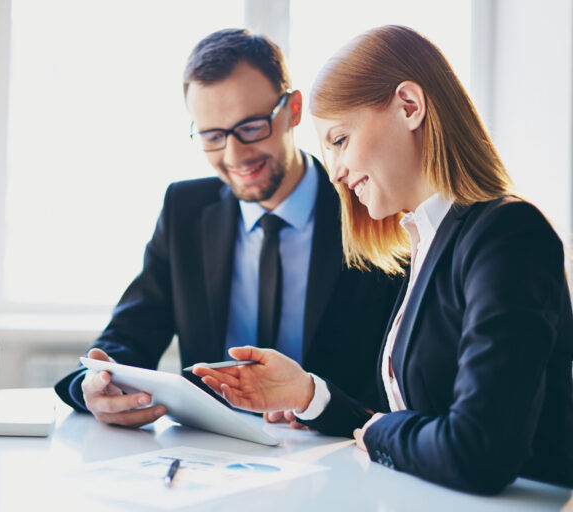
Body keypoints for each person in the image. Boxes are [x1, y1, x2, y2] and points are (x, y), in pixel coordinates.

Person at [194, 25, 573, 494]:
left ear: (409, 107)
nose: (334, 171)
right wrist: (308, 395)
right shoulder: (424, 240)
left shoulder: (508, 235)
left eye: (339, 140)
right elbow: (411, 422)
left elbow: (477, 448)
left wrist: (377, 432)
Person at [54, 28, 400, 428]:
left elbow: (395, 384)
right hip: (212, 454)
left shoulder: (367, 204)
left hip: (337, 451)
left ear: (293, 110)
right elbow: (129, 336)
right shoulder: (185, 210)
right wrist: (93, 385)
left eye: (251, 127)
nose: (235, 155)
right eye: (213, 136)